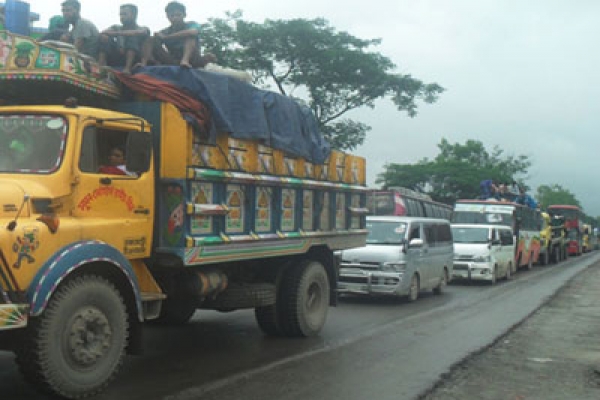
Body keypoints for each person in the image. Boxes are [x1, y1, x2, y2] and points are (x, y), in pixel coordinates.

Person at [140, 1, 209, 68]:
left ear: (184, 14)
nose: (175, 18)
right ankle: (144, 62)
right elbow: (152, 40)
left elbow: (192, 32)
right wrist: (156, 37)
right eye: (172, 16)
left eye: (178, 15)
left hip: (193, 59)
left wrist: (166, 37)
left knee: (190, 36)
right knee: (151, 39)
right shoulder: (165, 31)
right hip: (173, 60)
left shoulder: (192, 24)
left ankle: (185, 60)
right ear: (167, 17)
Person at [98, 4, 150, 74]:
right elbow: (103, 32)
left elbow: (138, 32)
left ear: (134, 15)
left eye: (124, 14)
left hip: (135, 59)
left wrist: (115, 34)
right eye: (120, 15)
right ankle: (100, 66)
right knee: (105, 38)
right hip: (118, 56)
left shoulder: (143, 28)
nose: (121, 17)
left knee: (132, 37)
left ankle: (127, 69)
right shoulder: (116, 27)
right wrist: (105, 35)